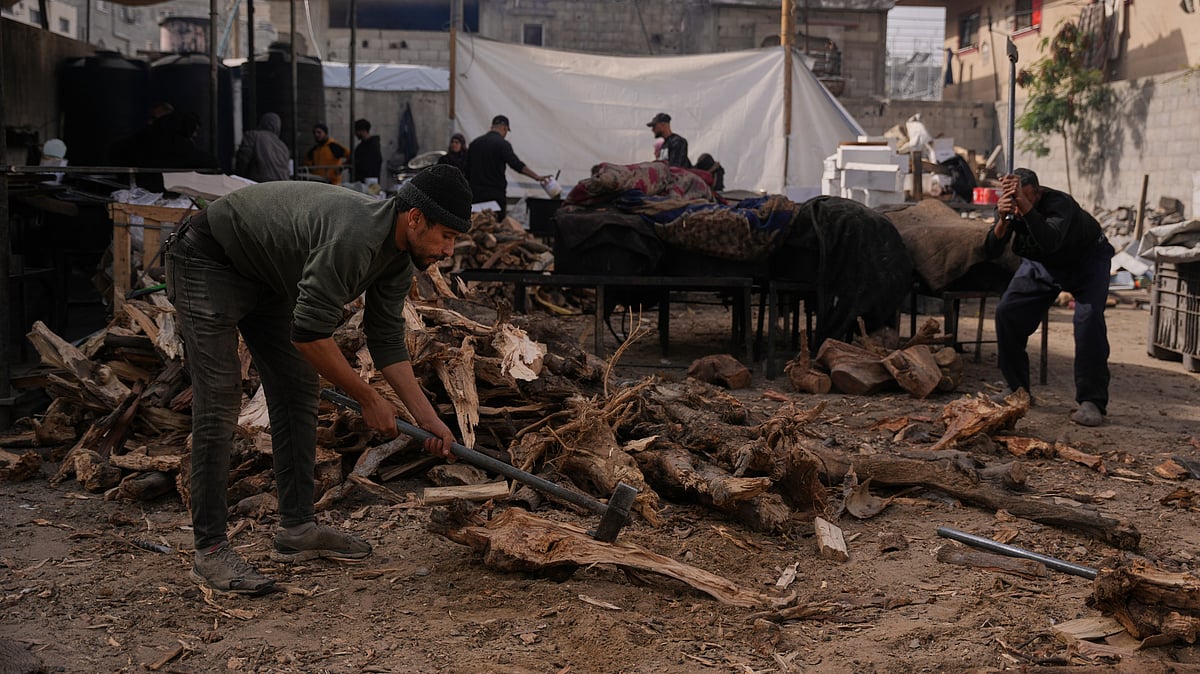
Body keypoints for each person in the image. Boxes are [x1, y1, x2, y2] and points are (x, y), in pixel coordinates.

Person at [165, 164, 469, 595]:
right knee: (219, 400)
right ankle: (210, 551)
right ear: (415, 218)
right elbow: (309, 336)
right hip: (208, 259)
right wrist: (367, 397)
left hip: (268, 275)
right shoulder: (357, 236)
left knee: (297, 388)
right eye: (447, 237)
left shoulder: (398, 259)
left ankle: (297, 530)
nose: (448, 251)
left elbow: (386, 342)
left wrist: (428, 419)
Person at [984, 168, 1114, 427]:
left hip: (1087, 262)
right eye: (1018, 197)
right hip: (1043, 265)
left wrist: (1023, 203)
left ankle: (1092, 401)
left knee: (1088, 320)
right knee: (1007, 312)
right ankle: (1017, 389)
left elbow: (1049, 240)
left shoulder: (1059, 204)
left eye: (1028, 196)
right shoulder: (1011, 206)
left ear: (1038, 192)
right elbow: (990, 250)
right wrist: (1002, 220)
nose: (1023, 202)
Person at [466, 115, 550, 221]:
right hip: (495, 196)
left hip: (476, 195)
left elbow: (466, 170)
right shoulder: (502, 144)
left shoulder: (474, 144)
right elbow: (516, 164)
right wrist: (537, 177)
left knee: (476, 227)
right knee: (494, 228)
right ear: (505, 128)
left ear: (492, 126)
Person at [234, 112, 291, 183]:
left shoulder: (252, 136)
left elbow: (242, 161)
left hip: (258, 185)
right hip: (280, 187)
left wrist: (238, 179)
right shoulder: (283, 146)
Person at [351, 118, 383, 183]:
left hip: (369, 181)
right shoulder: (362, 145)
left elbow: (370, 164)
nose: (355, 134)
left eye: (357, 131)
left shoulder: (372, 146)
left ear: (363, 131)